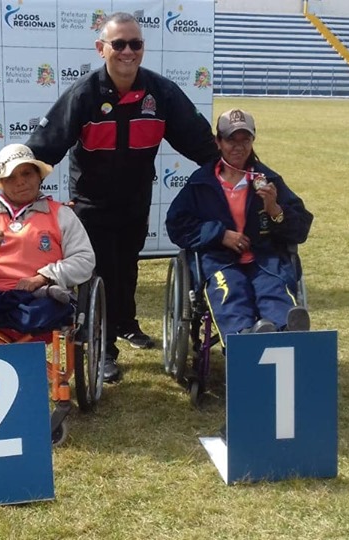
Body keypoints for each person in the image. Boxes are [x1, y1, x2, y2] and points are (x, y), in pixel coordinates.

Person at [27, 12, 219, 383]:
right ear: (101, 48)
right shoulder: (84, 94)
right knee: (98, 273)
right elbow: (45, 147)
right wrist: (17, 181)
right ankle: (103, 350)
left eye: (135, 44)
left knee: (127, 265)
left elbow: (200, 142)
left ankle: (127, 323)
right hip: (91, 203)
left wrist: (236, 172)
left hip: (135, 199)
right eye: (119, 44)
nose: (127, 51)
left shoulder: (161, 93)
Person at [165, 109, 313, 339]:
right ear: (218, 142)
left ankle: (285, 329)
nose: (238, 147)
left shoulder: (269, 180)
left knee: (274, 288)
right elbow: (177, 225)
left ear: (253, 140)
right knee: (229, 291)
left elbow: (301, 228)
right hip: (219, 260)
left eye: (245, 140)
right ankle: (242, 336)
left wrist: (275, 210)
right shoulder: (201, 182)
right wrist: (220, 235)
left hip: (264, 259)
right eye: (231, 140)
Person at [0, 144, 95, 334]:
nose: (20, 182)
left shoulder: (62, 214)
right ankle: (11, 314)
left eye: (27, 174)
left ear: (38, 176)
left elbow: (84, 260)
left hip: (38, 295)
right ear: (0, 182)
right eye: (11, 177)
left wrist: (44, 277)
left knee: (40, 313)